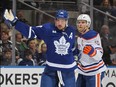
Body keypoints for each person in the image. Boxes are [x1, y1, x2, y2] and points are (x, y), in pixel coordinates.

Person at [4, 9, 77, 87]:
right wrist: (15, 22)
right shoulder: (48, 29)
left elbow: (73, 48)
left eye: (62, 21)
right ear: (55, 20)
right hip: (51, 69)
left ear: (67, 21)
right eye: (58, 20)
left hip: (68, 71)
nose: (59, 23)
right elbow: (30, 31)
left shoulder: (71, 30)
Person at [75, 14, 107, 87]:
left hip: (94, 70)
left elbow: (99, 54)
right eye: (79, 22)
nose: (80, 24)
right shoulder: (79, 36)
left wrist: (93, 52)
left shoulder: (93, 35)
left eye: (83, 22)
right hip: (83, 70)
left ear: (88, 24)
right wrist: (76, 53)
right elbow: (80, 51)